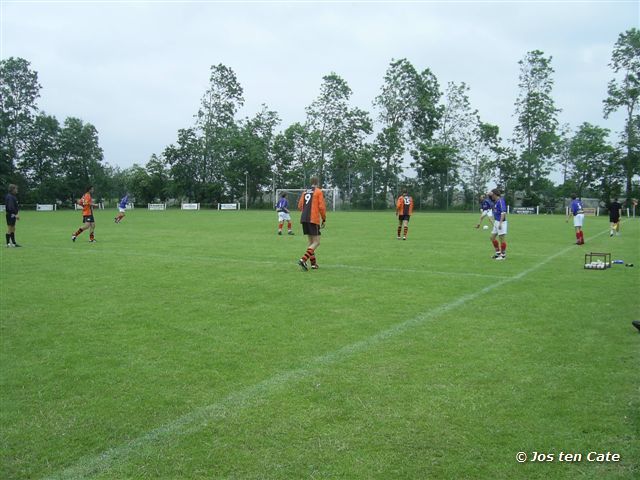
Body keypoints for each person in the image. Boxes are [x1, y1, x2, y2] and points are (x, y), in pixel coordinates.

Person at [297, 176, 326, 271]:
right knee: (317, 242)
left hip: (304, 218)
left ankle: (313, 264)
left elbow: (300, 206)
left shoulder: (305, 192)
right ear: (318, 183)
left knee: (311, 243)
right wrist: (324, 218)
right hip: (313, 219)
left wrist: (305, 211)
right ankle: (303, 259)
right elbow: (321, 207)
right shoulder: (318, 191)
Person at [489, 189, 508, 260]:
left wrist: (500, 223)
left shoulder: (501, 201)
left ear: (495, 194)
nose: (491, 197)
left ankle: (503, 255)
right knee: (492, 238)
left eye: (492, 195)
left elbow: (503, 213)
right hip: (497, 222)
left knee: (501, 239)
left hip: (501, 222)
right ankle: (498, 253)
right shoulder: (496, 202)